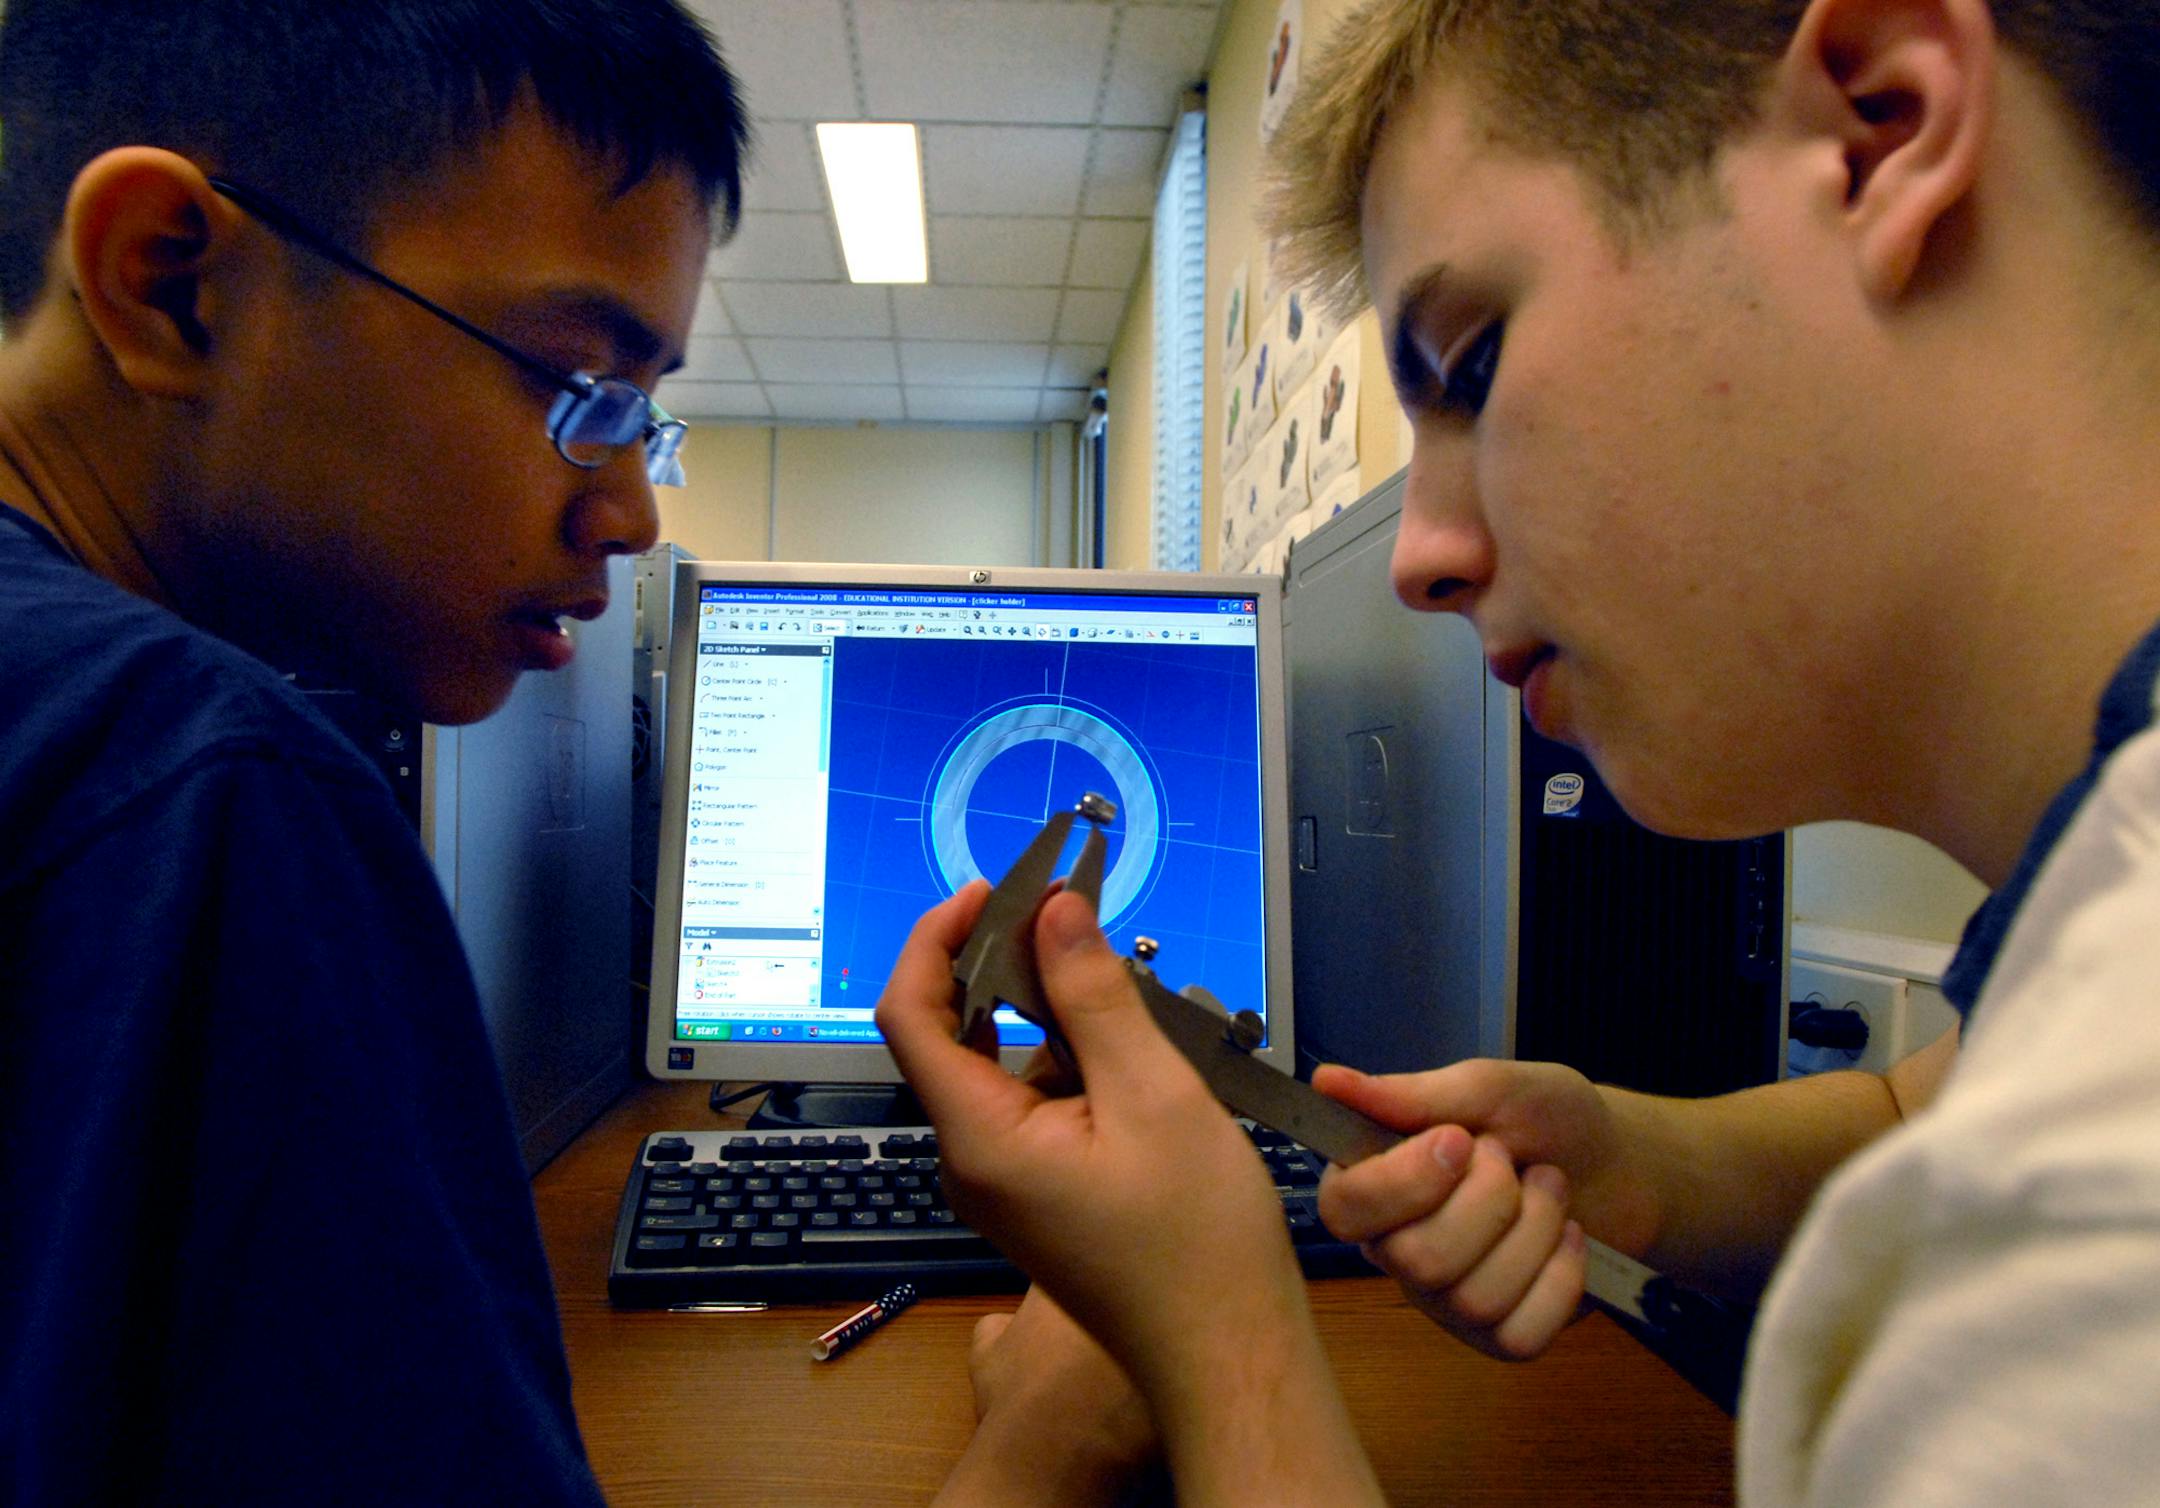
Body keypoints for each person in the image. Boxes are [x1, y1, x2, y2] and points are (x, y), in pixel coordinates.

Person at [877, 0, 2160, 1502]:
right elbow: (1914, 1107)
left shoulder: (2095, 1231)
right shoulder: (2093, 929)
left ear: (1879, 128)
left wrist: (1207, 1342)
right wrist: (1638, 1164)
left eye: (1470, 362)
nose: (1418, 555)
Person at [0, 2, 749, 1498]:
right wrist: (1049, 1444)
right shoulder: (209, 792)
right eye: (576, 388)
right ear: (172, 284)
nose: (632, 512)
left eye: (644, 420)